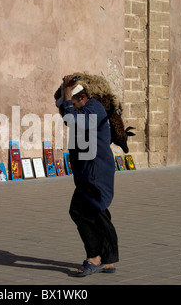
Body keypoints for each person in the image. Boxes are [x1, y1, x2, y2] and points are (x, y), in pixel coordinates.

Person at [54, 74, 119, 276]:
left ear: (80, 98)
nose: (65, 108)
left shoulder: (93, 109)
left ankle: (94, 257)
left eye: (70, 102)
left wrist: (66, 90)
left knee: (80, 211)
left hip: (95, 174)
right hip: (90, 172)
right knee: (100, 215)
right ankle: (108, 260)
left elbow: (71, 120)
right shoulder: (91, 110)